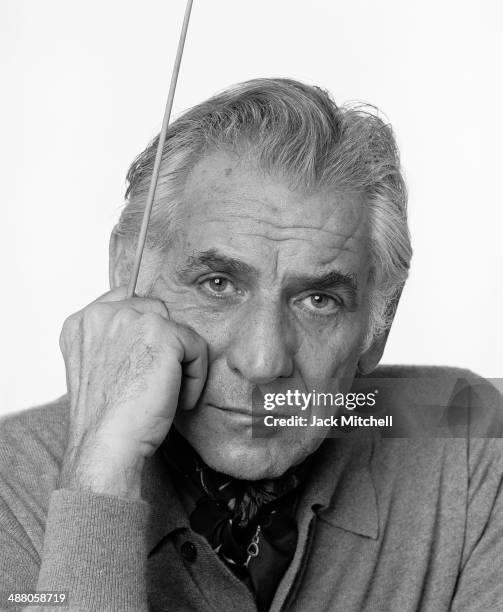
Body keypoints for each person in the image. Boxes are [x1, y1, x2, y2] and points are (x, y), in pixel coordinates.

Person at [0, 78, 502, 612]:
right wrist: (100, 482)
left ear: (378, 326)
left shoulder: (469, 443)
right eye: (218, 284)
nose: (263, 364)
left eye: (318, 300)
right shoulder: (10, 490)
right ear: (127, 274)